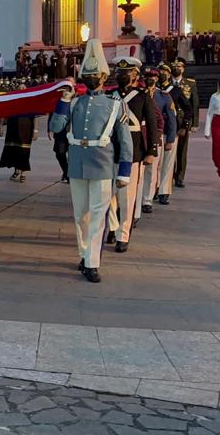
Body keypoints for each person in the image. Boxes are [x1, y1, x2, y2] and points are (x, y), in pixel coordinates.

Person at [49, 39, 133, 283]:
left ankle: (92, 262)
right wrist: (64, 101)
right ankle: (84, 253)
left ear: (104, 76)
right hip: (77, 164)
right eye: (88, 74)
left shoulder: (116, 105)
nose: (92, 78)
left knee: (98, 215)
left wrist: (124, 170)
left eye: (95, 74)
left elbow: (124, 140)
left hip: (103, 164)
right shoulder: (74, 102)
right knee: (80, 216)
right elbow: (56, 127)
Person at [108, 57, 159, 253]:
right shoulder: (110, 95)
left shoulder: (142, 96)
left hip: (134, 151)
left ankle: (123, 234)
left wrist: (152, 151)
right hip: (111, 149)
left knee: (127, 197)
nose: (121, 76)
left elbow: (152, 124)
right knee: (109, 194)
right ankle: (112, 227)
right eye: (119, 72)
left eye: (126, 72)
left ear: (135, 75)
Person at [141, 66, 176, 214]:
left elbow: (171, 119)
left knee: (152, 168)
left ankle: (147, 200)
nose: (150, 79)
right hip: (140, 134)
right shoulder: (138, 94)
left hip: (156, 135)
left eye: (153, 76)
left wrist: (170, 138)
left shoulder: (163, 96)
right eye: (147, 76)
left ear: (157, 78)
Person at [157, 63, 189, 205]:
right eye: (160, 71)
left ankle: (164, 191)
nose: (162, 74)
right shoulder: (152, 90)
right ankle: (154, 188)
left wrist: (184, 126)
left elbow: (188, 108)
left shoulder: (175, 90)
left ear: (169, 74)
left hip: (171, 129)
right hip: (156, 130)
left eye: (165, 72)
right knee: (156, 163)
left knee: (168, 163)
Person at [172, 57, 199, 188]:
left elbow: (194, 104)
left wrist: (194, 123)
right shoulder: (166, 83)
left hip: (183, 120)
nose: (177, 69)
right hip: (170, 120)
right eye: (174, 66)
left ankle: (180, 176)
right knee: (170, 149)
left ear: (183, 69)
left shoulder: (190, 83)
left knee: (182, 150)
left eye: (179, 67)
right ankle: (170, 174)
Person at [0, 93, 37, 183]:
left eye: (24, 87)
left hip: (26, 130)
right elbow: (3, 113)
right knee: (14, 150)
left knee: (24, 151)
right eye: (20, 87)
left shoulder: (30, 102)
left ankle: (23, 172)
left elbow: (35, 117)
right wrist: (1, 126)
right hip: (13, 130)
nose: (22, 89)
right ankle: (17, 170)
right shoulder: (12, 101)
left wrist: (35, 130)